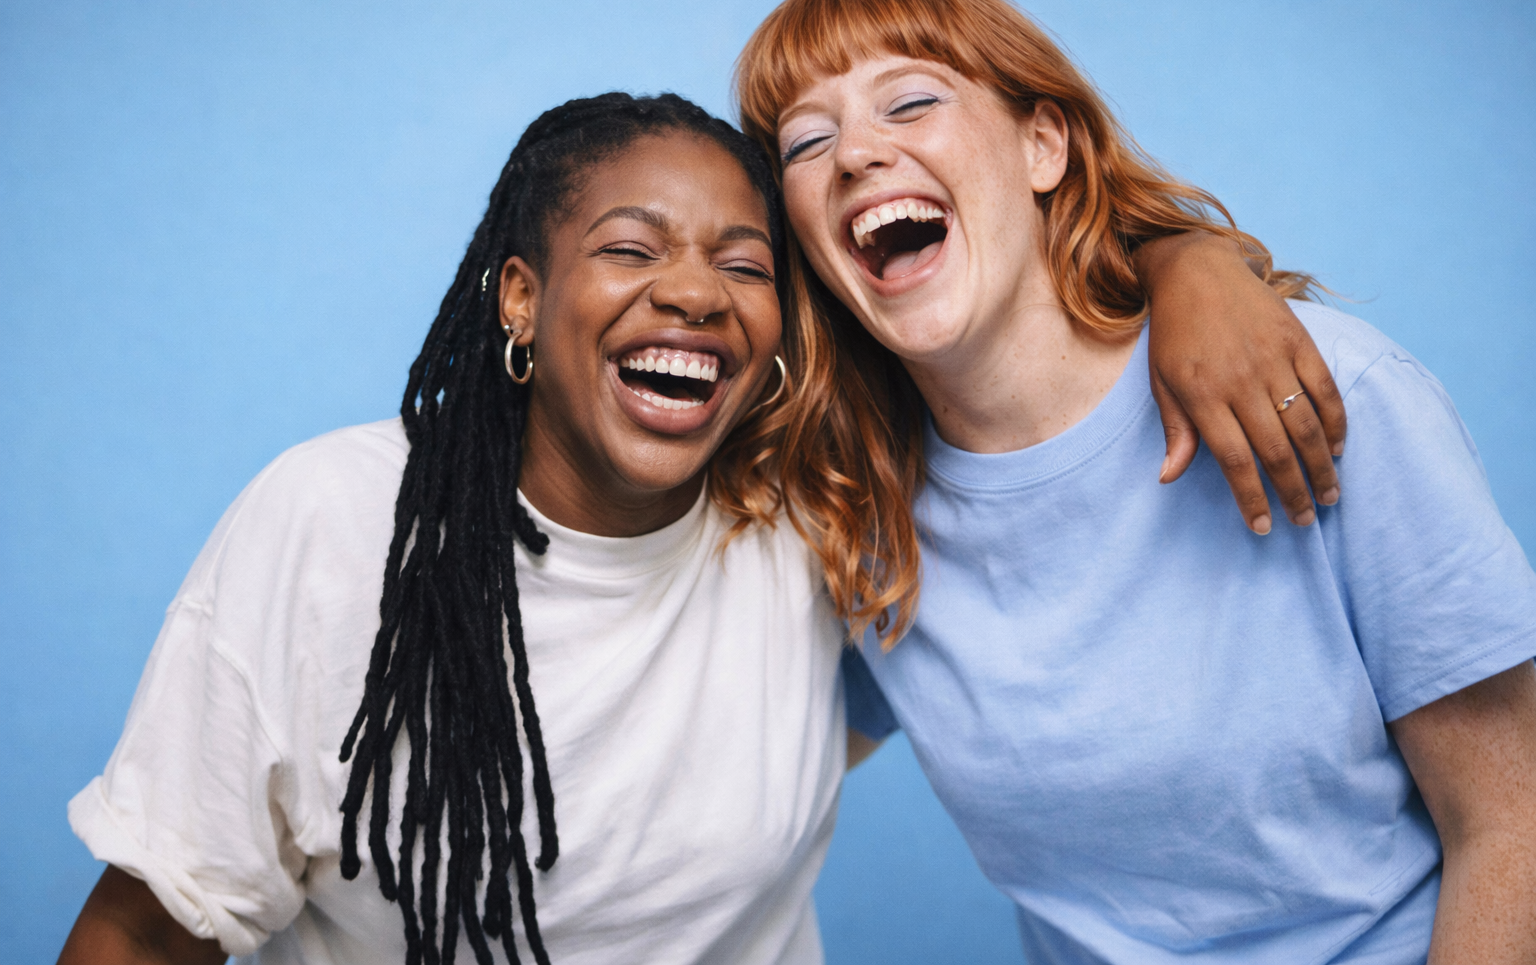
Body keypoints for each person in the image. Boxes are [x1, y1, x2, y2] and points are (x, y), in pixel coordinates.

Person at [59, 91, 1351, 965]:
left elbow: (999, 314)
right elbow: (145, 930)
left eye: (746, 264)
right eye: (632, 248)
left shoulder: (806, 507)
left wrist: (1191, 263)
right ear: (522, 296)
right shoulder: (335, 525)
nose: (694, 291)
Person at [736, 0, 1536, 965]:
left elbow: (1513, 821)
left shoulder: (1325, 393)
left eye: (910, 101)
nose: (856, 151)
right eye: (807, 143)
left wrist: (1192, 256)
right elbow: (751, 774)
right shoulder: (861, 512)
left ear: (1043, 144)